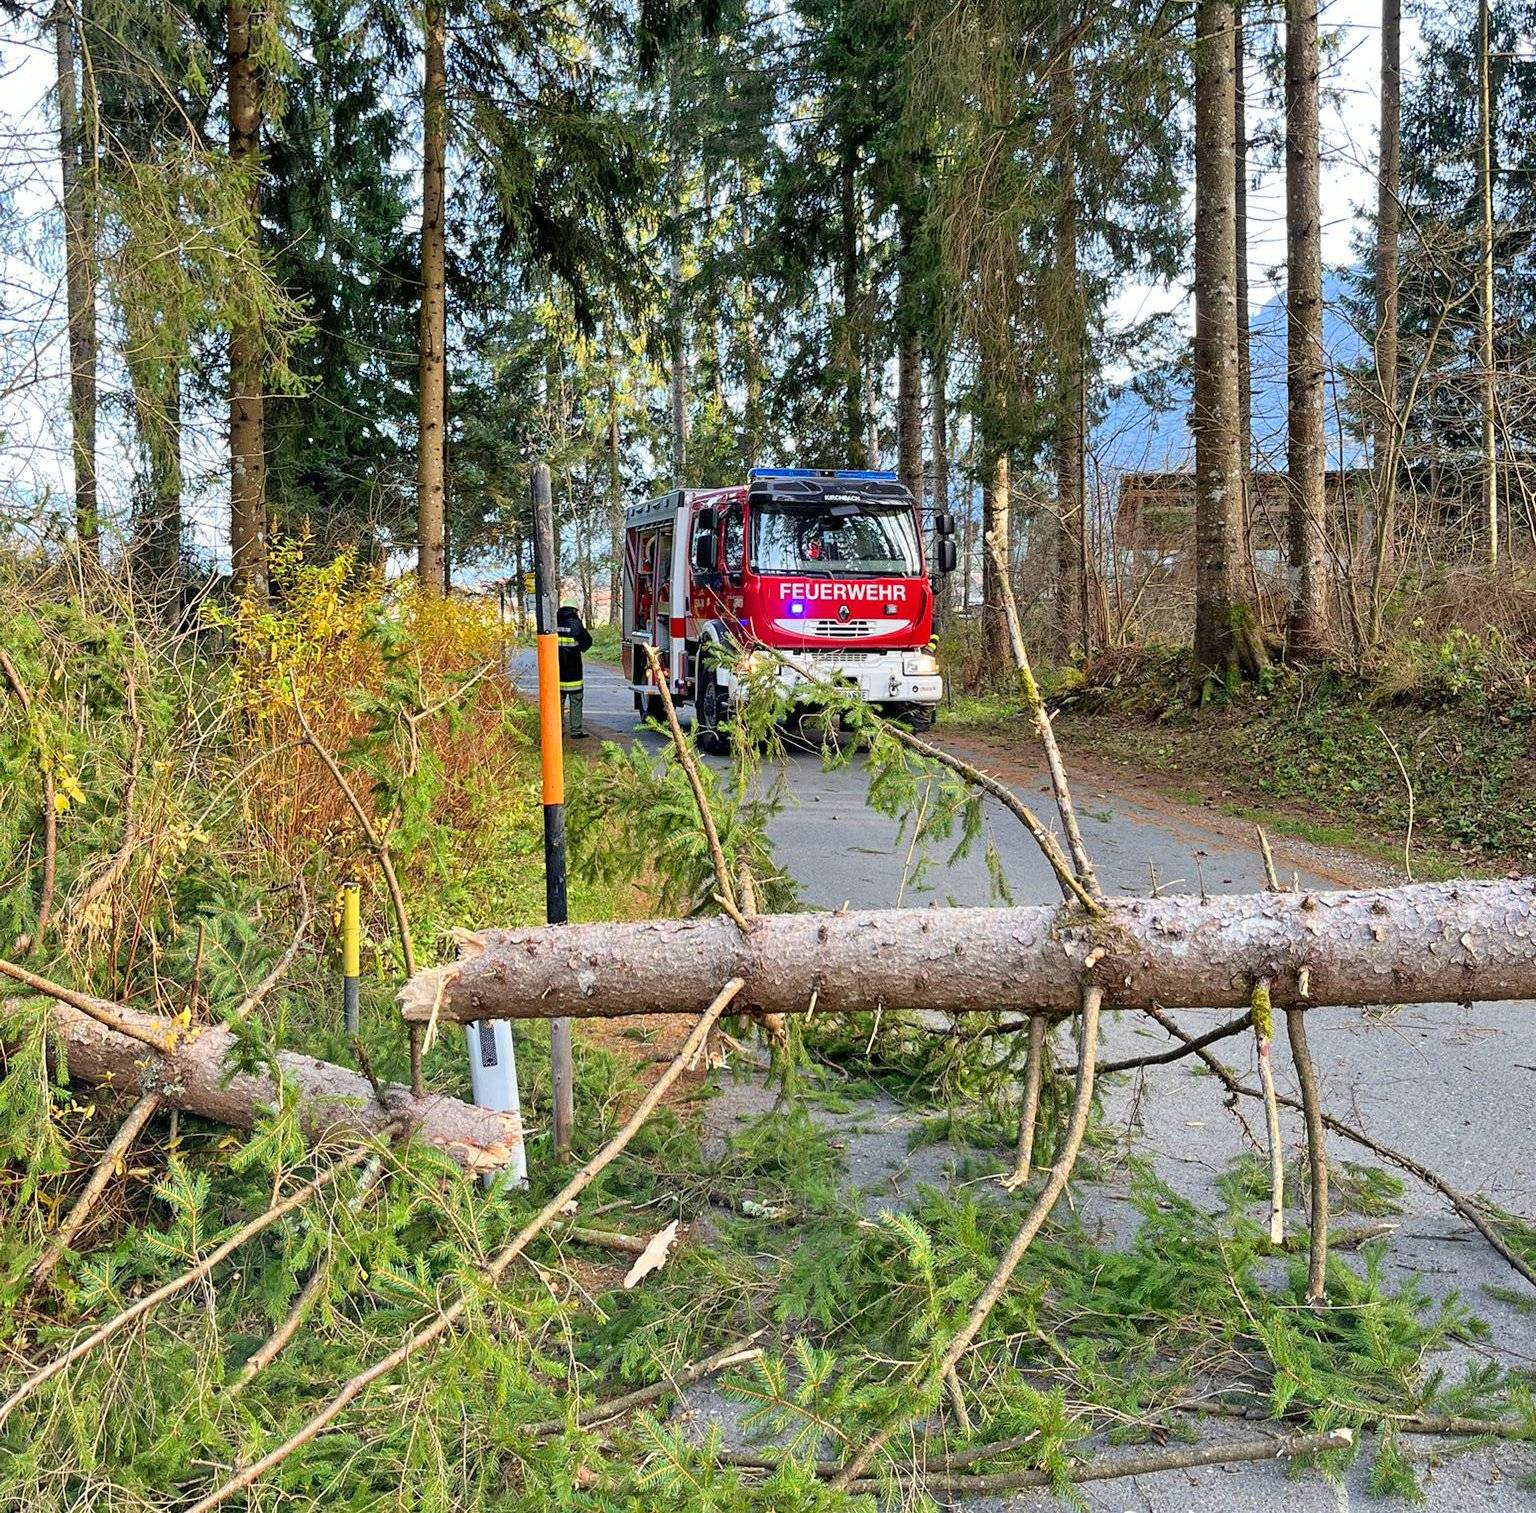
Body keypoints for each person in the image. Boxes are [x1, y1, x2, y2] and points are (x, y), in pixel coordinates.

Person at [556, 604, 592, 738]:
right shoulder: (575, 624)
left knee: (557, 701)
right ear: (573, 610)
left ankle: (557, 730)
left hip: (557, 671)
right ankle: (575, 731)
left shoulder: (553, 623)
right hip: (573, 670)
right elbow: (587, 643)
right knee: (576, 700)